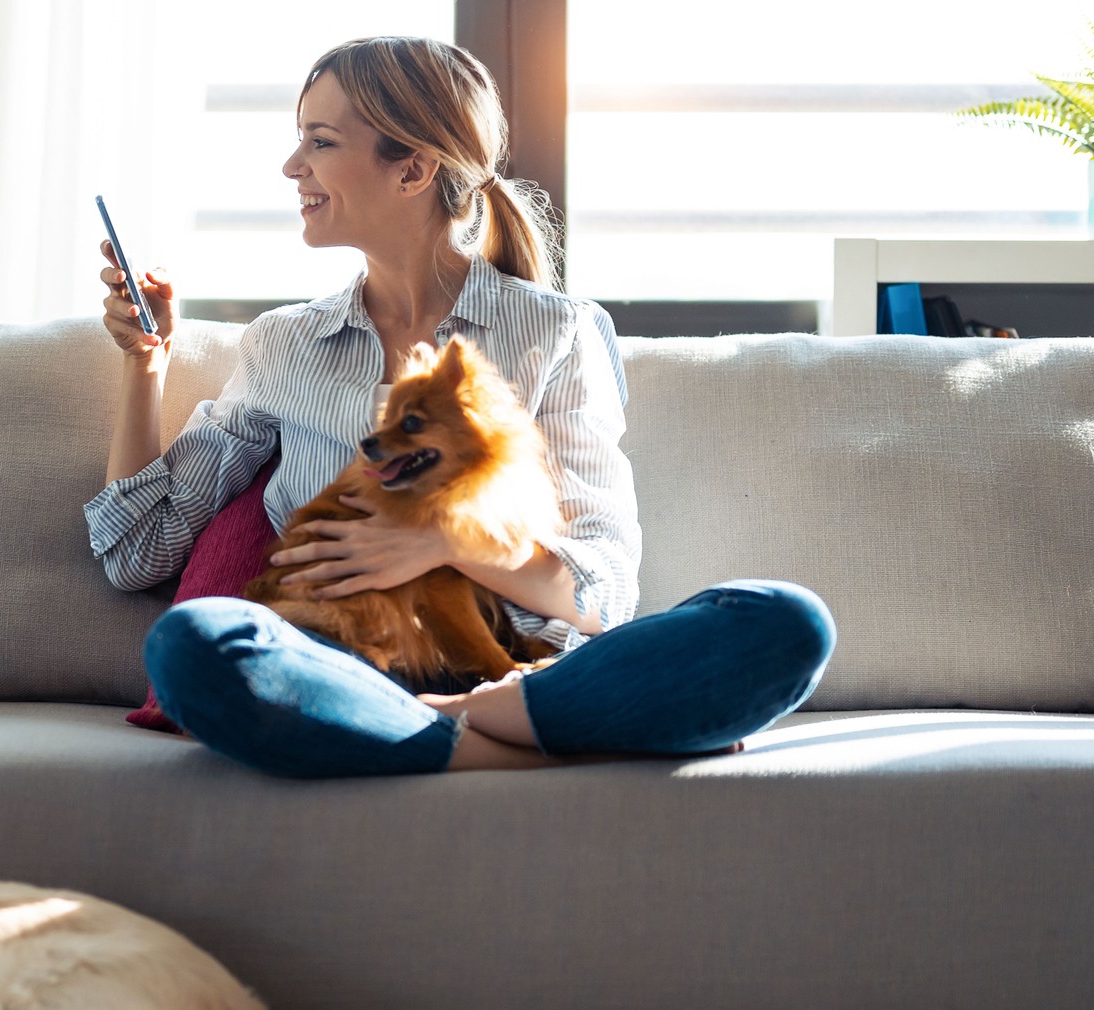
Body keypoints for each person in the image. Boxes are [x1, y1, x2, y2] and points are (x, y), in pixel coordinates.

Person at [85, 36, 834, 778]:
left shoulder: (555, 331)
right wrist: (145, 363)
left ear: (412, 167)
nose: (292, 167)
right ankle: (530, 749)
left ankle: (448, 730)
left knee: (783, 623)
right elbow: (135, 550)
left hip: (525, 669)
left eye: (320, 141)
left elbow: (602, 588)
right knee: (192, 646)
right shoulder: (285, 344)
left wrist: (445, 541)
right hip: (346, 669)